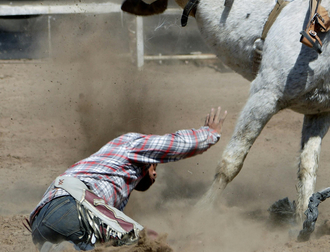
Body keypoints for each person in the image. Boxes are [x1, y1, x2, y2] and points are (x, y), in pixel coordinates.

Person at [28, 107, 227, 251]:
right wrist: (209, 134)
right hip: (72, 207)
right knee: (148, 245)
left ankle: (60, 248)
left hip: (41, 224)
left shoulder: (95, 172)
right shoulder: (131, 144)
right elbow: (172, 144)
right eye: (154, 166)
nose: (155, 174)